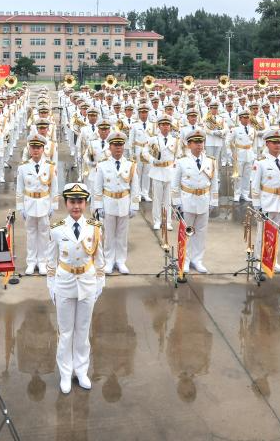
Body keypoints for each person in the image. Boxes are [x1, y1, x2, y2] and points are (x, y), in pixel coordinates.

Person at [47, 183, 104, 394]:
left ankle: (81, 371)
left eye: (80, 202)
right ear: (66, 203)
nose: (76, 206)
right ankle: (65, 372)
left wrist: (100, 283)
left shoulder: (95, 227)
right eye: (72, 202)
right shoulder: (56, 228)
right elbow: (51, 261)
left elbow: (100, 259)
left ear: (86, 203)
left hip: (87, 281)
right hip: (64, 281)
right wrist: (51, 286)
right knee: (65, 332)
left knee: (82, 330)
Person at [90, 131, 140, 274]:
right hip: (109, 202)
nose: (118, 148)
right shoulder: (102, 165)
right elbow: (97, 188)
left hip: (124, 202)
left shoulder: (131, 165)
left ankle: (121, 260)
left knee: (122, 235)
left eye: (120, 145)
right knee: (109, 234)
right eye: (115, 145)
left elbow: (135, 187)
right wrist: (98, 206)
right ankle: (109, 260)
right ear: (110, 147)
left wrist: (134, 205)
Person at [171, 130, 218, 274]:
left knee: (201, 233)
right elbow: (175, 184)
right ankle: (184, 260)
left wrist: (213, 201)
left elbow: (215, 182)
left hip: (204, 200)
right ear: (189, 144)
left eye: (201, 142)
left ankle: (197, 260)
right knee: (186, 232)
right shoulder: (181, 161)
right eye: (196, 143)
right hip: (187, 201)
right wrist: (177, 203)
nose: (199, 145)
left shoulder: (211, 161)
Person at [15, 134, 59, 275]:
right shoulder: (23, 167)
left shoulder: (50, 167)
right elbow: (19, 189)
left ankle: (42, 261)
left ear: (43, 149)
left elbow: (54, 188)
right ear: (29, 148)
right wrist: (21, 207)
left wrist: (53, 205)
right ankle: (31, 261)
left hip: (44, 204)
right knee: (31, 234)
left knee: (44, 234)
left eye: (38, 147)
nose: (35, 150)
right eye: (33, 147)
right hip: (29, 204)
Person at [250, 129, 280, 273]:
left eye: (279, 142)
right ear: (267, 143)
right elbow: (254, 185)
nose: (277, 145)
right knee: (263, 233)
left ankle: (273, 259)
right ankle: (259, 260)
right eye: (274, 142)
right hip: (266, 202)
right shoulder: (260, 162)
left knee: (276, 233)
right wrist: (257, 206)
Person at [143, 115, 178, 230]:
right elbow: (145, 152)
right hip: (157, 171)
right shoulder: (153, 139)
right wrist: (152, 160)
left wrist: (175, 165)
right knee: (157, 199)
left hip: (169, 171)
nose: (165, 127)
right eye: (163, 125)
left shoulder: (175, 140)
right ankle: (157, 221)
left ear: (170, 126)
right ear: (159, 126)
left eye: (167, 125)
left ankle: (167, 221)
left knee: (168, 199)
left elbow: (178, 155)